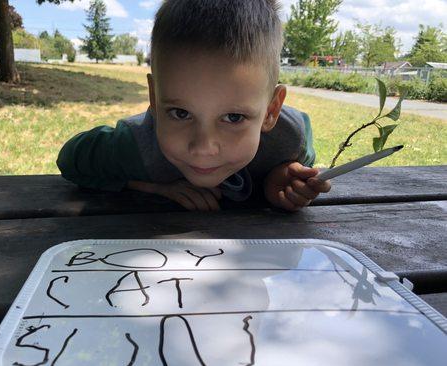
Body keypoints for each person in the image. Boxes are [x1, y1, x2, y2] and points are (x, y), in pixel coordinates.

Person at [57, 0, 331, 211]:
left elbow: (301, 156)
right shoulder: (138, 145)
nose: (203, 149)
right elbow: (72, 159)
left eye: (234, 118)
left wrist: (280, 177)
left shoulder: (288, 138)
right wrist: (153, 186)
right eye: (180, 113)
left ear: (271, 111)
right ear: (155, 98)